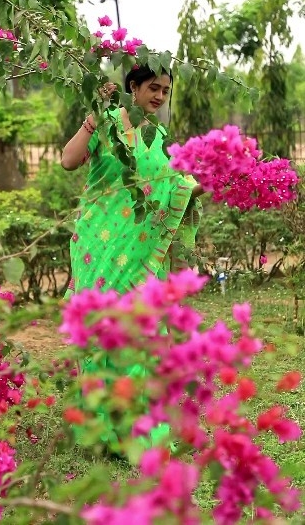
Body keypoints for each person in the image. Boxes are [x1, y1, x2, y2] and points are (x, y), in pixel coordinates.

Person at [61, 64, 203, 448]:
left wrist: (191, 188)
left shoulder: (157, 136)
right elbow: (68, 160)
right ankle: (99, 432)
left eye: (165, 90)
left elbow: (170, 186)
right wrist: (93, 114)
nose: (159, 96)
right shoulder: (104, 121)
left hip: (142, 257)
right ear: (133, 87)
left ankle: (140, 436)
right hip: (99, 250)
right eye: (153, 88)